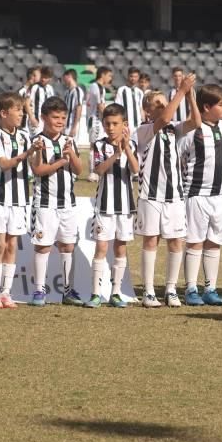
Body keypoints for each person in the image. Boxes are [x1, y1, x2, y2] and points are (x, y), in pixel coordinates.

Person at [134, 75, 199, 308]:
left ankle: (171, 289)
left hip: (174, 195)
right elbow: (166, 117)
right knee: (151, 241)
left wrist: (190, 96)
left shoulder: (173, 128)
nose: (163, 107)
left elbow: (196, 122)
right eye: (157, 104)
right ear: (146, 110)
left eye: (164, 102)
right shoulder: (144, 130)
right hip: (150, 195)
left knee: (175, 242)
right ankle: (149, 291)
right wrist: (180, 92)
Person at [178, 85, 222, 307]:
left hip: (220, 196)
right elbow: (179, 159)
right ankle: (191, 288)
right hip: (196, 194)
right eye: (221, 105)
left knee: (214, 242)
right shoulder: (192, 131)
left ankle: (210, 288)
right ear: (206, 107)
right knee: (194, 242)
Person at [28, 96, 84, 307]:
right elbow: (38, 170)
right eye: (55, 117)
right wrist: (61, 160)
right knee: (43, 247)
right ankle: (39, 290)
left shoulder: (68, 141)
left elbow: (79, 170)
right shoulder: (38, 141)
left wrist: (72, 156)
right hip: (44, 204)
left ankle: (68, 290)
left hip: (67, 204)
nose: (60, 121)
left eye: (63, 117)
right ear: (44, 117)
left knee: (68, 245)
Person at [0, 93, 38, 309]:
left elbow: (34, 167)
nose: (21, 114)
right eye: (18, 110)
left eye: (22, 110)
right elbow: (3, 164)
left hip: (19, 198)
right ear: (3, 113)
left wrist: (36, 155)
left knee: (11, 244)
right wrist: (26, 154)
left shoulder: (25, 136)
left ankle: (6, 292)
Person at [86, 104, 139, 308]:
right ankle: (95, 293)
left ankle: (116, 292)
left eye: (115, 123)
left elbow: (135, 170)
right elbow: (98, 170)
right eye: (107, 123)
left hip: (125, 206)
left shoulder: (131, 144)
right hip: (104, 205)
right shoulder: (99, 145)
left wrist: (125, 148)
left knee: (121, 247)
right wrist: (116, 155)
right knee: (101, 246)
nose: (110, 127)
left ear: (124, 124)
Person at [86, 66, 113, 182]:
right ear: (102, 75)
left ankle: (95, 171)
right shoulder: (97, 87)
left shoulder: (96, 87)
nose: (110, 78)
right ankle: (93, 173)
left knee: (95, 146)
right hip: (96, 120)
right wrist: (108, 118)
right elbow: (100, 105)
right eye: (109, 76)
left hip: (94, 120)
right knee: (94, 146)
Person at [115, 66, 145, 132]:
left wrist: (144, 121)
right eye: (131, 76)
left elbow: (141, 108)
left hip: (138, 125)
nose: (133, 78)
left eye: (135, 76)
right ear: (128, 76)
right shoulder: (121, 90)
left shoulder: (140, 92)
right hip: (126, 125)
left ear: (138, 77)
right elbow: (117, 107)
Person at [62, 68, 85, 141]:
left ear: (69, 76)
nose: (63, 80)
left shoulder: (77, 91)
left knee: (71, 147)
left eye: (64, 77)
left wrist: (74, 127)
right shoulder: (66, 92)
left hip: (72, 125)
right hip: (65, 125)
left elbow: (79, 108)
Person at [18, 66, 41, 130]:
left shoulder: (38, 90)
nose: (41, 77)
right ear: (32, 76)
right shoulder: (22, 91)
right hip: (25, 125)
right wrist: (32, 118)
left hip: (36, 124)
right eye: (39, 75)